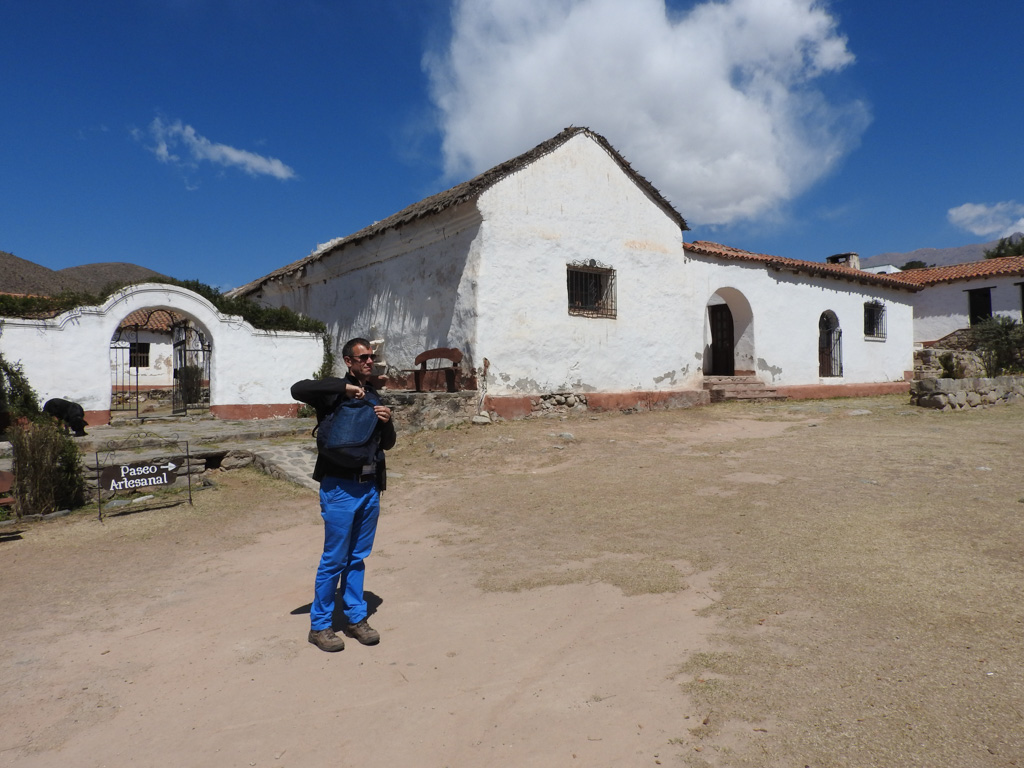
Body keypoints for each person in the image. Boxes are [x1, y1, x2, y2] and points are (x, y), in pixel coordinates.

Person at [291, 338, 397, 652]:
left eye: (372, 357)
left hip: (368, 487)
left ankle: (355, 618)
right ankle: (320, 625)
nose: (369, 361)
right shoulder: (331, 395)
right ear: (348, 361)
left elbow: (386, 444)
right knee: (334, 558)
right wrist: (342, 389)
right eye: (363, 357)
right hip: (339, 487)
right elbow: (299, 389)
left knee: (357, 558)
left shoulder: (375, 394)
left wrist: (387, 423)